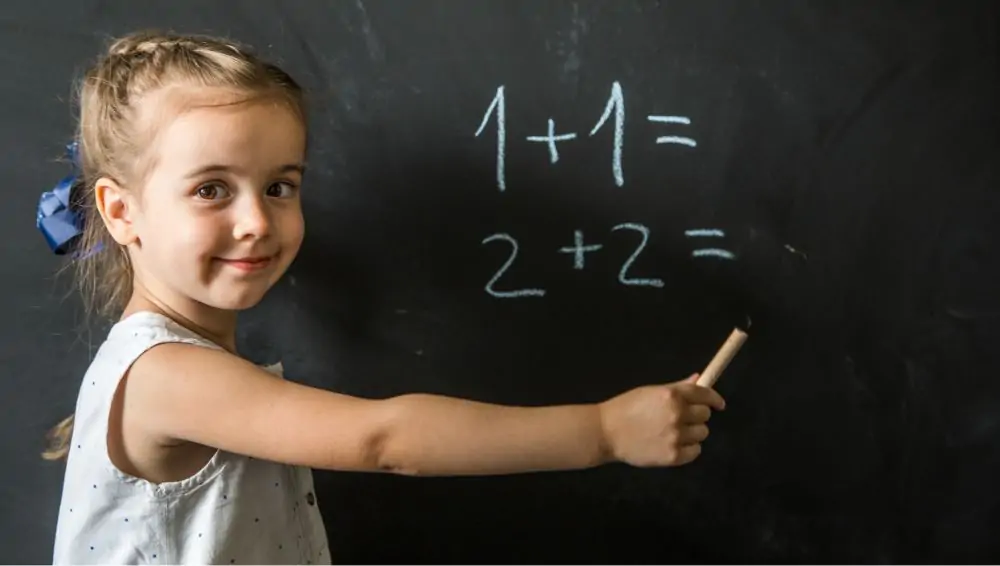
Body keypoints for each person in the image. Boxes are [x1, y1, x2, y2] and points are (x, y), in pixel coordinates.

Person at [42, 29, 727, 565]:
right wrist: (604, 432)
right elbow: (385, 439)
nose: (256, 220)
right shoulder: (167, 374)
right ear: (121, 211)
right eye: (211, 189)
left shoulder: (184, 360)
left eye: (280, 185)